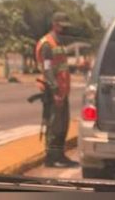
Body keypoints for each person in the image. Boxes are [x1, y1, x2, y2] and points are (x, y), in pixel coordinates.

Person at [35, 12, 79, 168]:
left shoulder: (58, 43)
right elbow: (47, 70)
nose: (65, 29)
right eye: (62, 26)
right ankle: (51, 158)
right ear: (55, 24)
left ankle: (60, 155)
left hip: (61, 91)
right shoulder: (47, 44)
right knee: (54, 125)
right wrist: (55, 91)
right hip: (53, 91)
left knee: (62, 125)